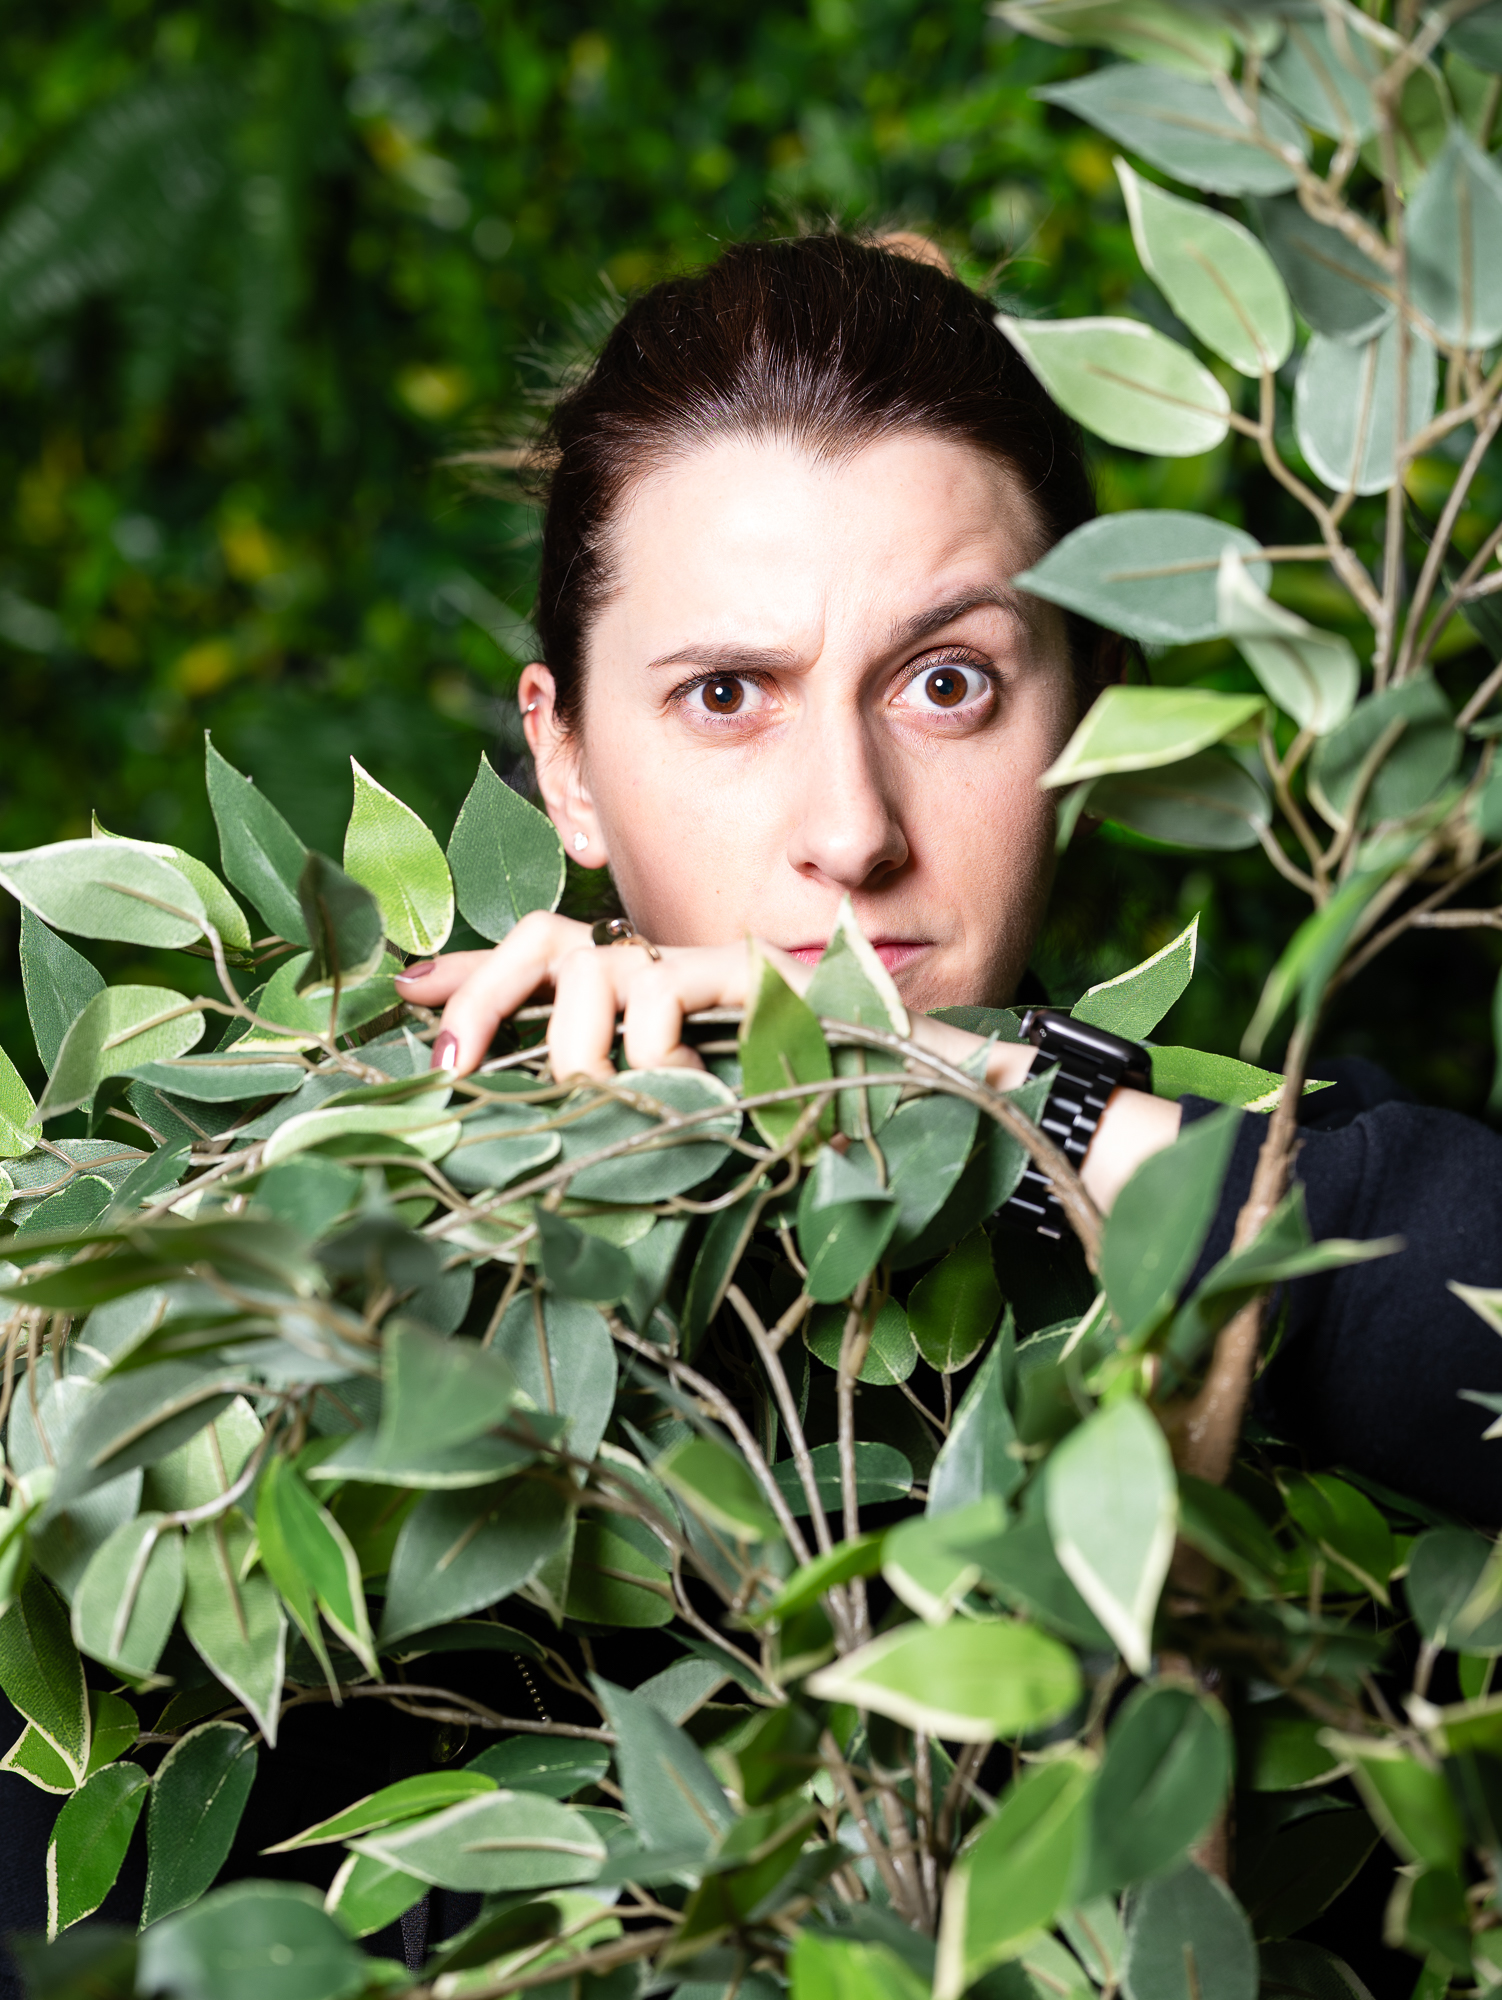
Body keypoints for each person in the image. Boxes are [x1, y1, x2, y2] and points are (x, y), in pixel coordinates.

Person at [393, 228, 1502, 1527]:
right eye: (726, 694)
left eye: (945, 683)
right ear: (568, 766)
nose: (853, 830)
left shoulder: (1310, 1166)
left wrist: (1007, 1112)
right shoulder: (372, 1254)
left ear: (1089, 730)